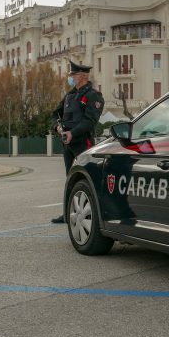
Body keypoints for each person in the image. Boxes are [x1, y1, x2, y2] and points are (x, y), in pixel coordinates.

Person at [50, 60, 105, 223]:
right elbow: (55, 114)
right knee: (70, 178)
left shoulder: (93, 95)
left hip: (82, 142)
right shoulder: (70, 95)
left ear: (82, 76)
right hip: (67, 142)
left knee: (87, 178)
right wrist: (57, 128)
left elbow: (90, 121)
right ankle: (69, 214)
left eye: (73, 75)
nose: (71, 77)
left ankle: (92, 213)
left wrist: (73, 133)